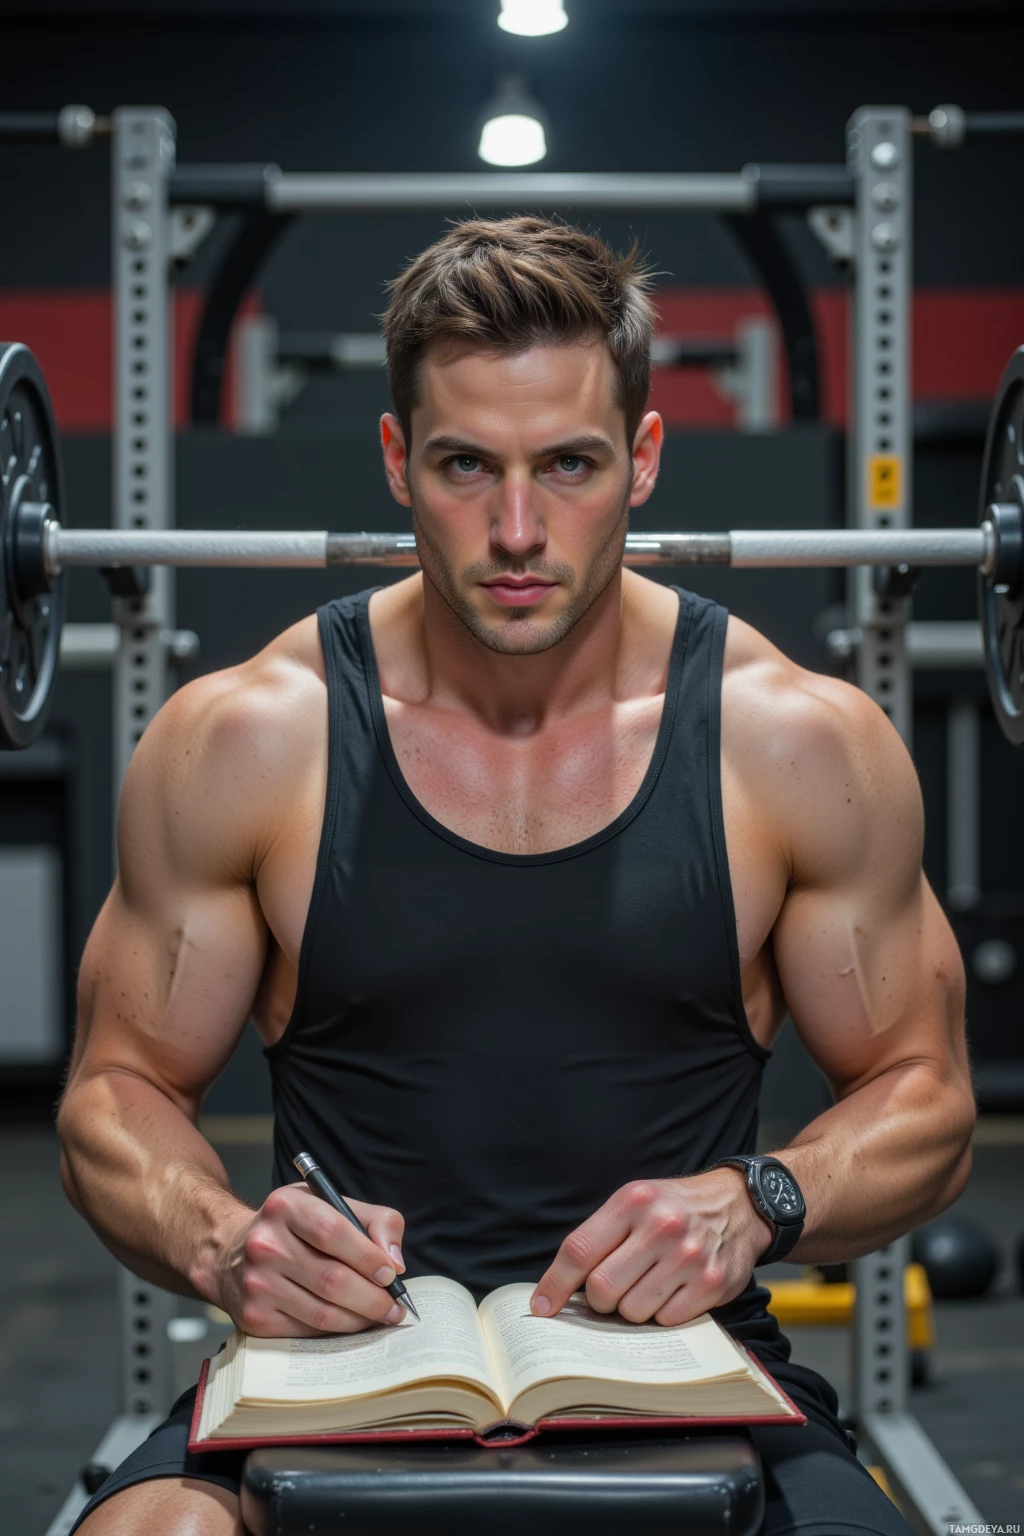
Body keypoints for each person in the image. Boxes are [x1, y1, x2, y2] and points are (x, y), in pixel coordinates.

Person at [59, 216, 973, 1536]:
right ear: (397, 460)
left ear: (643, 459)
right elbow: (114, 1093)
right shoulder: (246, 741)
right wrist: (219, 1238)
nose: (518, 529)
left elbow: (927, 1096)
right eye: (465, 466)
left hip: (696, 1375)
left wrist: (760, 1201)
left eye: (571, 465)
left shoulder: (797, 745)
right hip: (332, 1372)